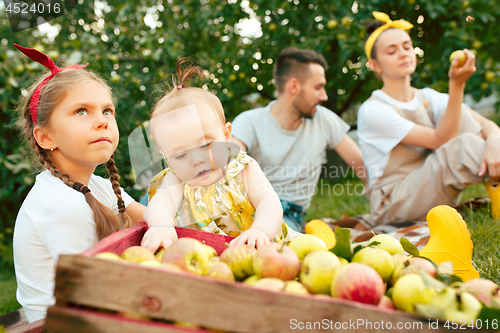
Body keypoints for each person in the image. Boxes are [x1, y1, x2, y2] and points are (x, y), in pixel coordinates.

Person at [12, 44, 146, 322]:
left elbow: (152, 218)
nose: (102, 121)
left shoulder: (93, 185)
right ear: (46, 137)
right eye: (82, 111)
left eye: (107, 111)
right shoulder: (61, 205)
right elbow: (96, 294)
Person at [141, 59, 299, 254]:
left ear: (226, 136)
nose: (197, 160)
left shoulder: (242, 168)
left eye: (206, 145)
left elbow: (269, 202)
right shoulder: (176, 180)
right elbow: (159, 205)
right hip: (209, 260)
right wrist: (161, 225)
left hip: (262, 251)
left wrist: (260, 230)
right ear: (166, 157)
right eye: (180, 155)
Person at [357, 11, 500, 225]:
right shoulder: (373, 110)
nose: (404, 54)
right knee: (463, 143)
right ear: (375, 65)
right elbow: (440, 141)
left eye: (406, 46)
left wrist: (494, 142)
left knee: (463, 119)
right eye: (392, 51)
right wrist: (457, 84)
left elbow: (484, 124)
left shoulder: (428, 97)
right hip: (394, 202)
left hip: (430, 186)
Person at [231, 47, 366, 232]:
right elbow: (229, 167)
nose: (324, 96)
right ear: (293, 86)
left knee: (269, 243)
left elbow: (360, 164)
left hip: (289, 214)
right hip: (250, 206)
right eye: (318, 87)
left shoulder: (323, 119)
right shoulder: (249, 122)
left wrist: (383, 203)